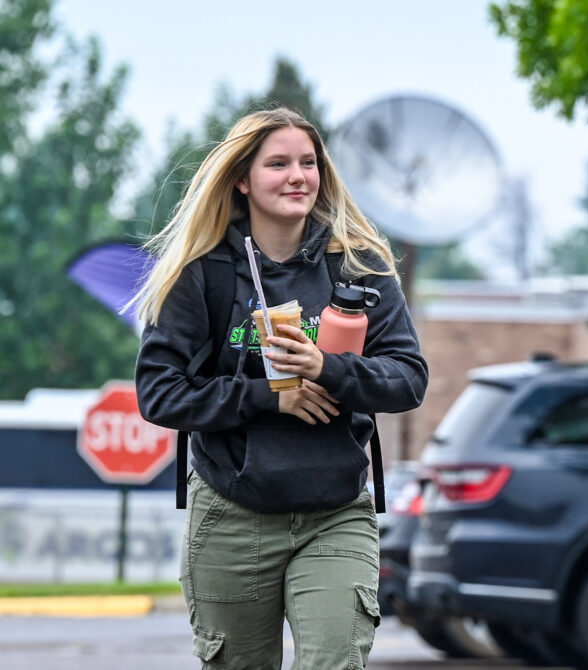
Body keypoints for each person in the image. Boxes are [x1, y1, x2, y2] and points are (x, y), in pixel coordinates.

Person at [133, 108, 428, 669]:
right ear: (242, 179)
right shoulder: (204, 271)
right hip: (230, 511)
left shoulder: (360, 266)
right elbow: (160, 395)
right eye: (277, 164)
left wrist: (327, 368)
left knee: (334, 661)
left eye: (308, 162)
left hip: (336, 511)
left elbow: (409, 379)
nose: (298, 176)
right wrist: (272, 396)